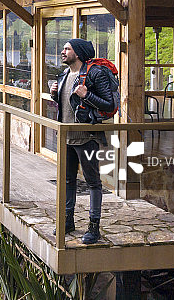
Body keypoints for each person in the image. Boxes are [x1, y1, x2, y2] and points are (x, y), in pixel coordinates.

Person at [49, 38, 114, 244]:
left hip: (87, 137)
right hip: (66, 136)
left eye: (67, 48)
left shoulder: (95, 73)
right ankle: (68, 221)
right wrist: (54, 95)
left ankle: (94, 228)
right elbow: (69, 104)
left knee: (93, 182)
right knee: (68, 180)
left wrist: (87, 95)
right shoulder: (65, 74)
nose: (63, 51)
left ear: (78, 52)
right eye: (64, 48)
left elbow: (109, 105)